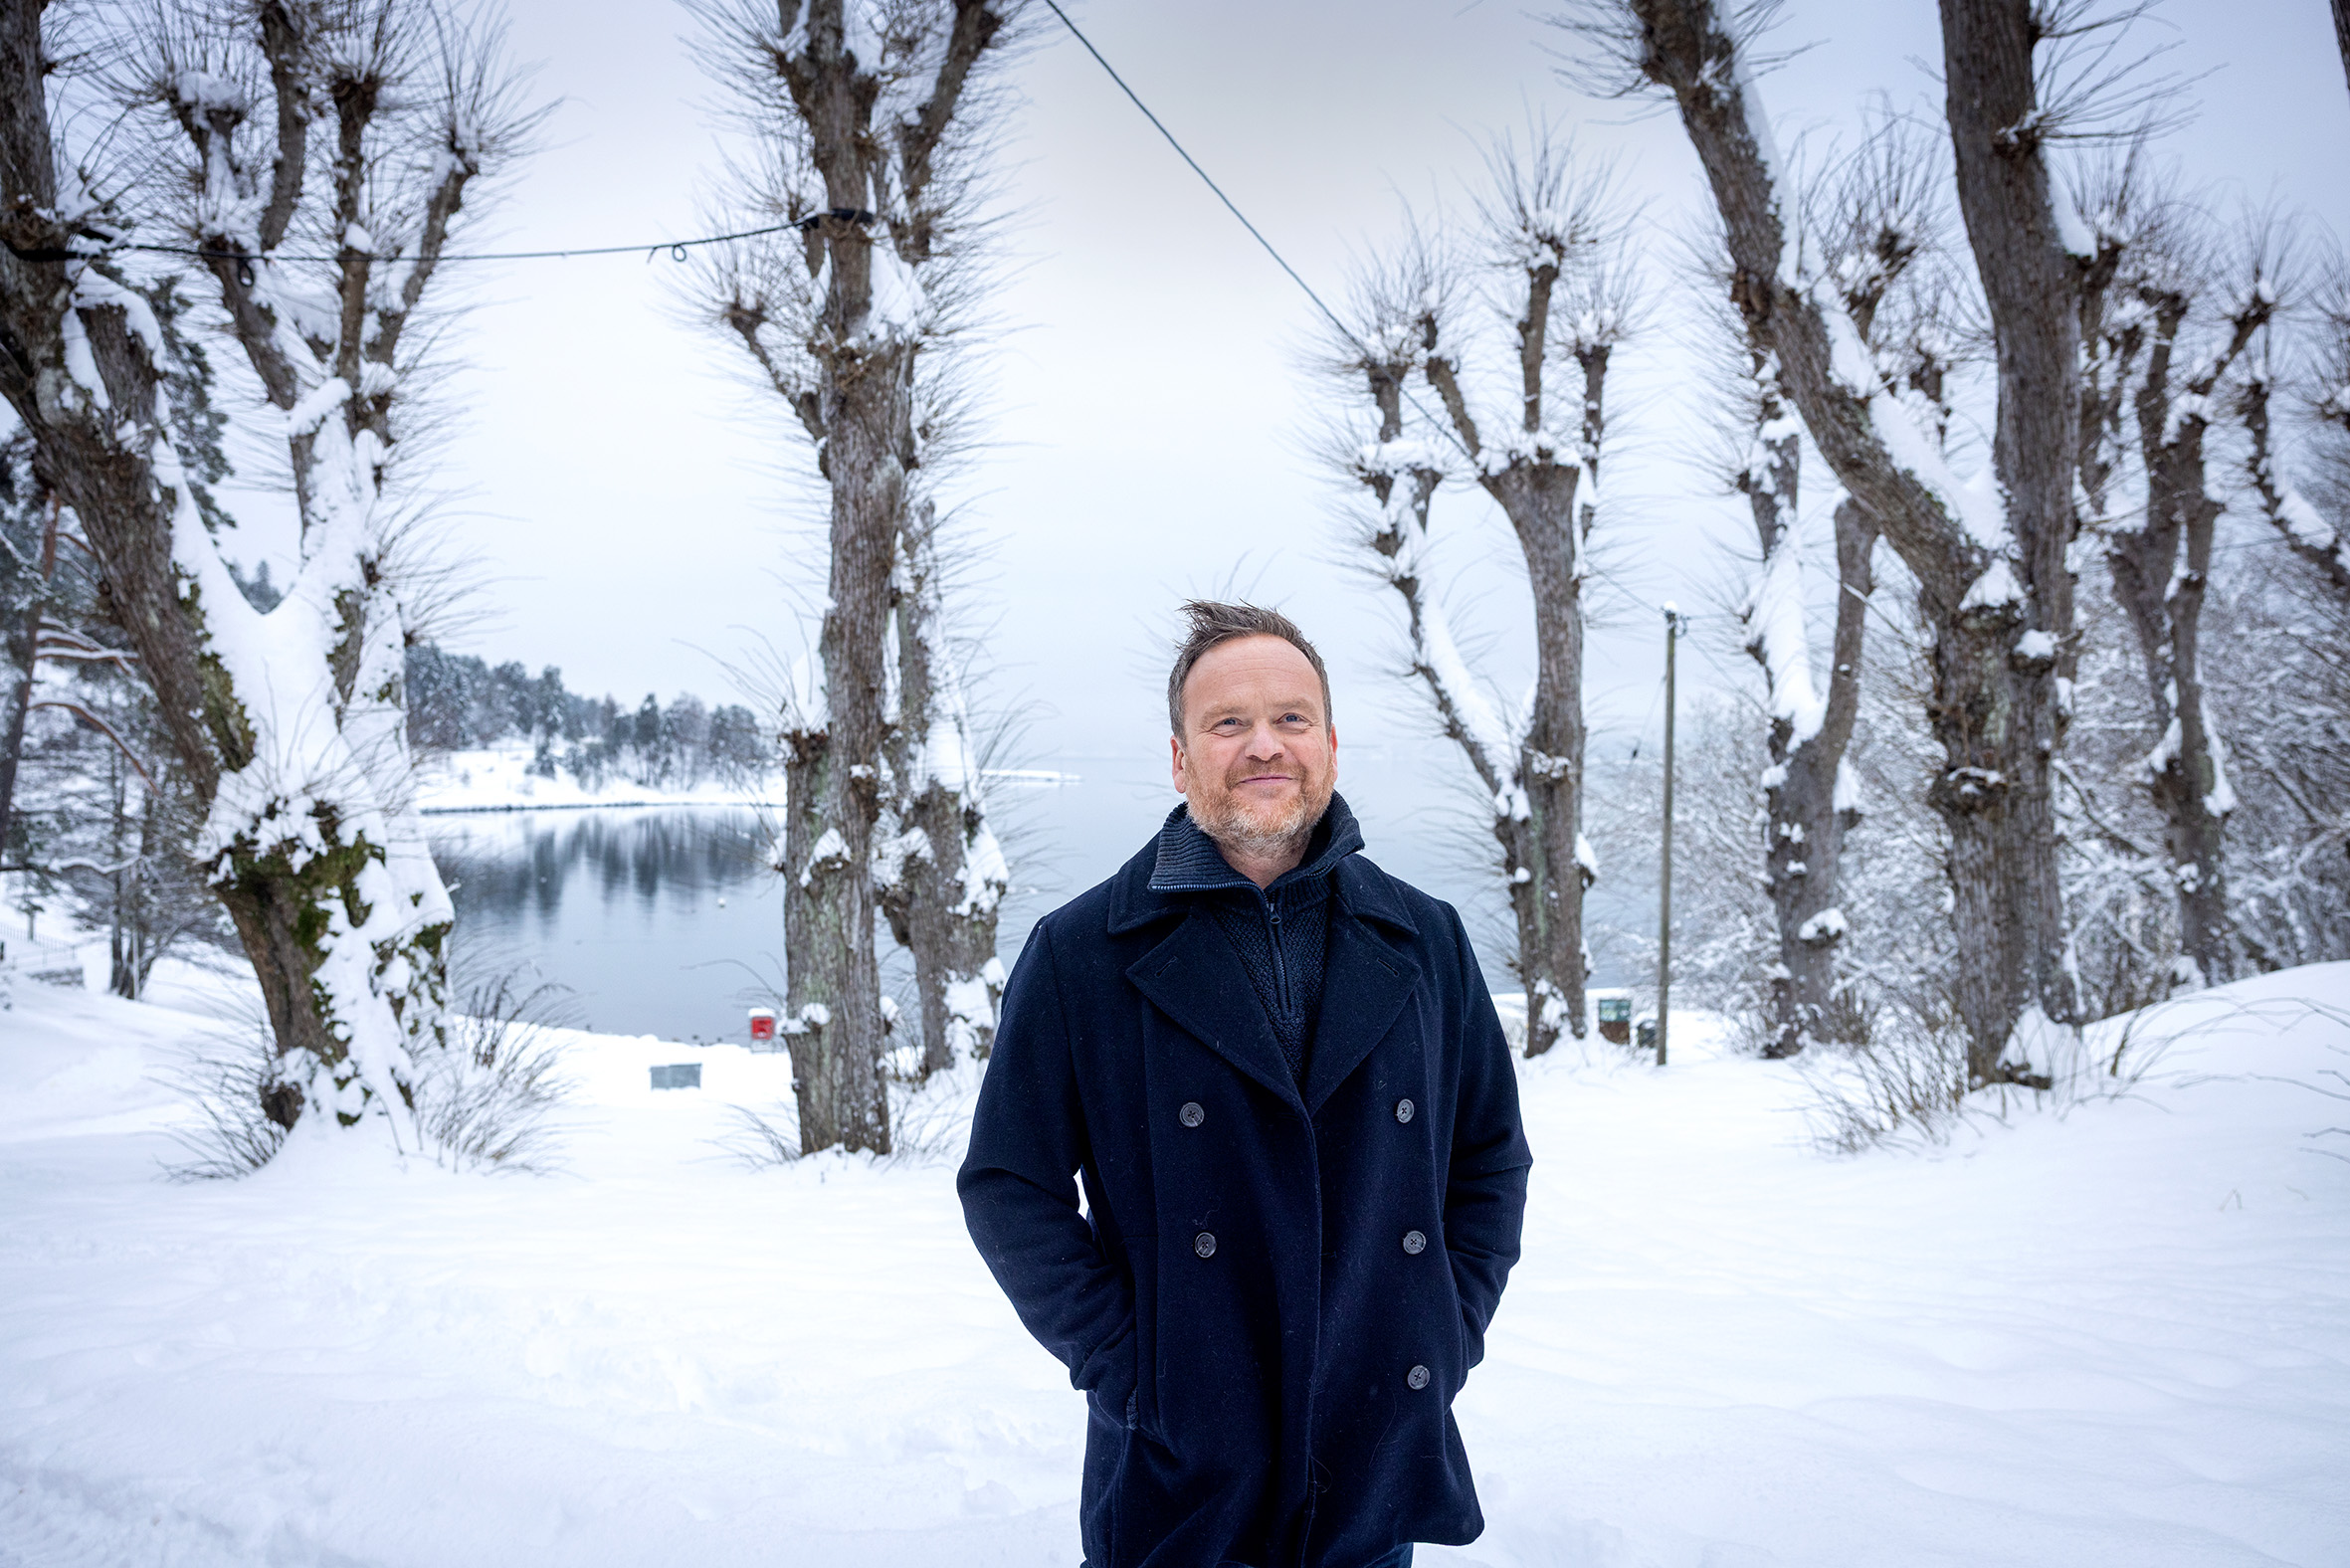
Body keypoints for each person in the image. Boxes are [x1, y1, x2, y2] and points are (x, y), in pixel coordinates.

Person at [958, 601, 1532, 1568]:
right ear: (1181, 758)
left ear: (1332, 745)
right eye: (1228, 723)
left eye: (1291, 718)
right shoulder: (1080, 952)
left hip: (1372, 1446)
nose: (1264, 745)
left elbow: (1488, 1158)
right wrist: (1131, 1367)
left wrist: (1444, 1332)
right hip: (1180, 1461)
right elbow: (1010, 1186)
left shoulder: (1424, 937)